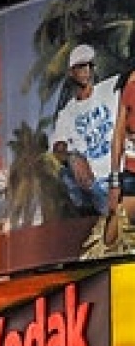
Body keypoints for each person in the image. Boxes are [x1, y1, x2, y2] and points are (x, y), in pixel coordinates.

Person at [52, 43, 120, 217]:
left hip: (121, 173)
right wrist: (72, 157)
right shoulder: (67, 113)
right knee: (65, 174)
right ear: (71, 72)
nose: (87, 70)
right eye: (81, 65)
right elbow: (58, 148)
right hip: (97, 185)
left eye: (90, 65)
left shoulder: (110, 88)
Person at [105, 68, 135, 247]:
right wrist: (115, 180)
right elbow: (119, 132)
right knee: (111, 240)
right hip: (132, 172)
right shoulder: (129, 81)